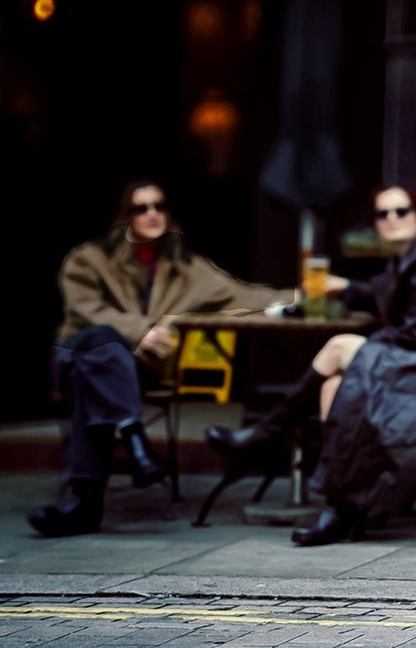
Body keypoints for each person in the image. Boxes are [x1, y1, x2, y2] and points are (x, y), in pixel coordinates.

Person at [206, 185, 416, 547]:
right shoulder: (409, 257)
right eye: (383, 214)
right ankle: (341, 508)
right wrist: (348, 288)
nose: (393, 219)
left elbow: (415, 334)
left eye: (401, 211)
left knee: (339, 348)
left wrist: (365, 347)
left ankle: (266, 434)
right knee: (331, 386)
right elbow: (385, 294)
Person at [33, 181, 298, 537]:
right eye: (140, 208)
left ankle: (88, 501)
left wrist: (306, 293)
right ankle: (133, 435)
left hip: (133, 372)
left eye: (158, 206)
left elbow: (243, 294)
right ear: (124, 217)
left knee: (94, 375)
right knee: (101, 345)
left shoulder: (185, 268)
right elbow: (88, 310)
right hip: (74, 355)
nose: (152, 214)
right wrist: (141, 331)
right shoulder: (88, 260)